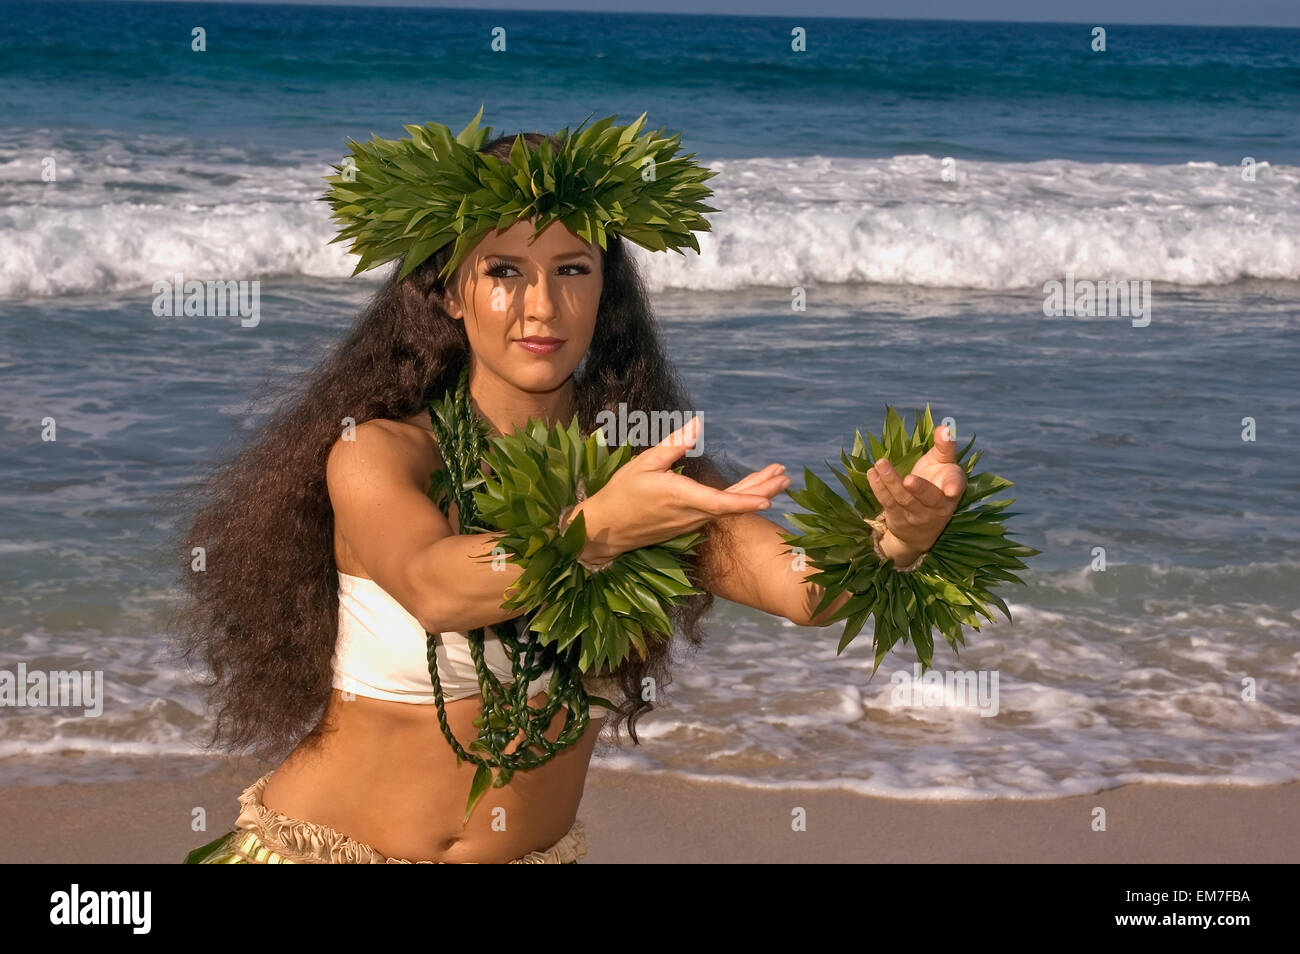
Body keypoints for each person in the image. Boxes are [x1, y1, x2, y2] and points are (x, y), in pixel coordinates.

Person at [177, 118, 965, 864]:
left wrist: (898, 538)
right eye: (505, 272)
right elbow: (435, 586)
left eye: (572, 271)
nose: (542, 307)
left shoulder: (648, 476)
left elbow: (806, 591)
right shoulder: (382, 451)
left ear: (604, 293)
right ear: (450, 292)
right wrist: (592, 534)